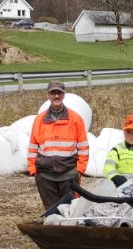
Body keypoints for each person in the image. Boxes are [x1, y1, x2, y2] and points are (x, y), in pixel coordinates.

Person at [27, 80, 89, 210]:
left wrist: (79, 171)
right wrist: (33, 171)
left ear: (63, 95)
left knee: (70, 211)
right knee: (51, 211)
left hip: (69, 174)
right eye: (53, 93)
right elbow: (33, 147)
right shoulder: (40, 120)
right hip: (45, 176)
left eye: (59, 93)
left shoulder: (75, 119)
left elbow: (83, 147)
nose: (56, 96)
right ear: (48, 95)